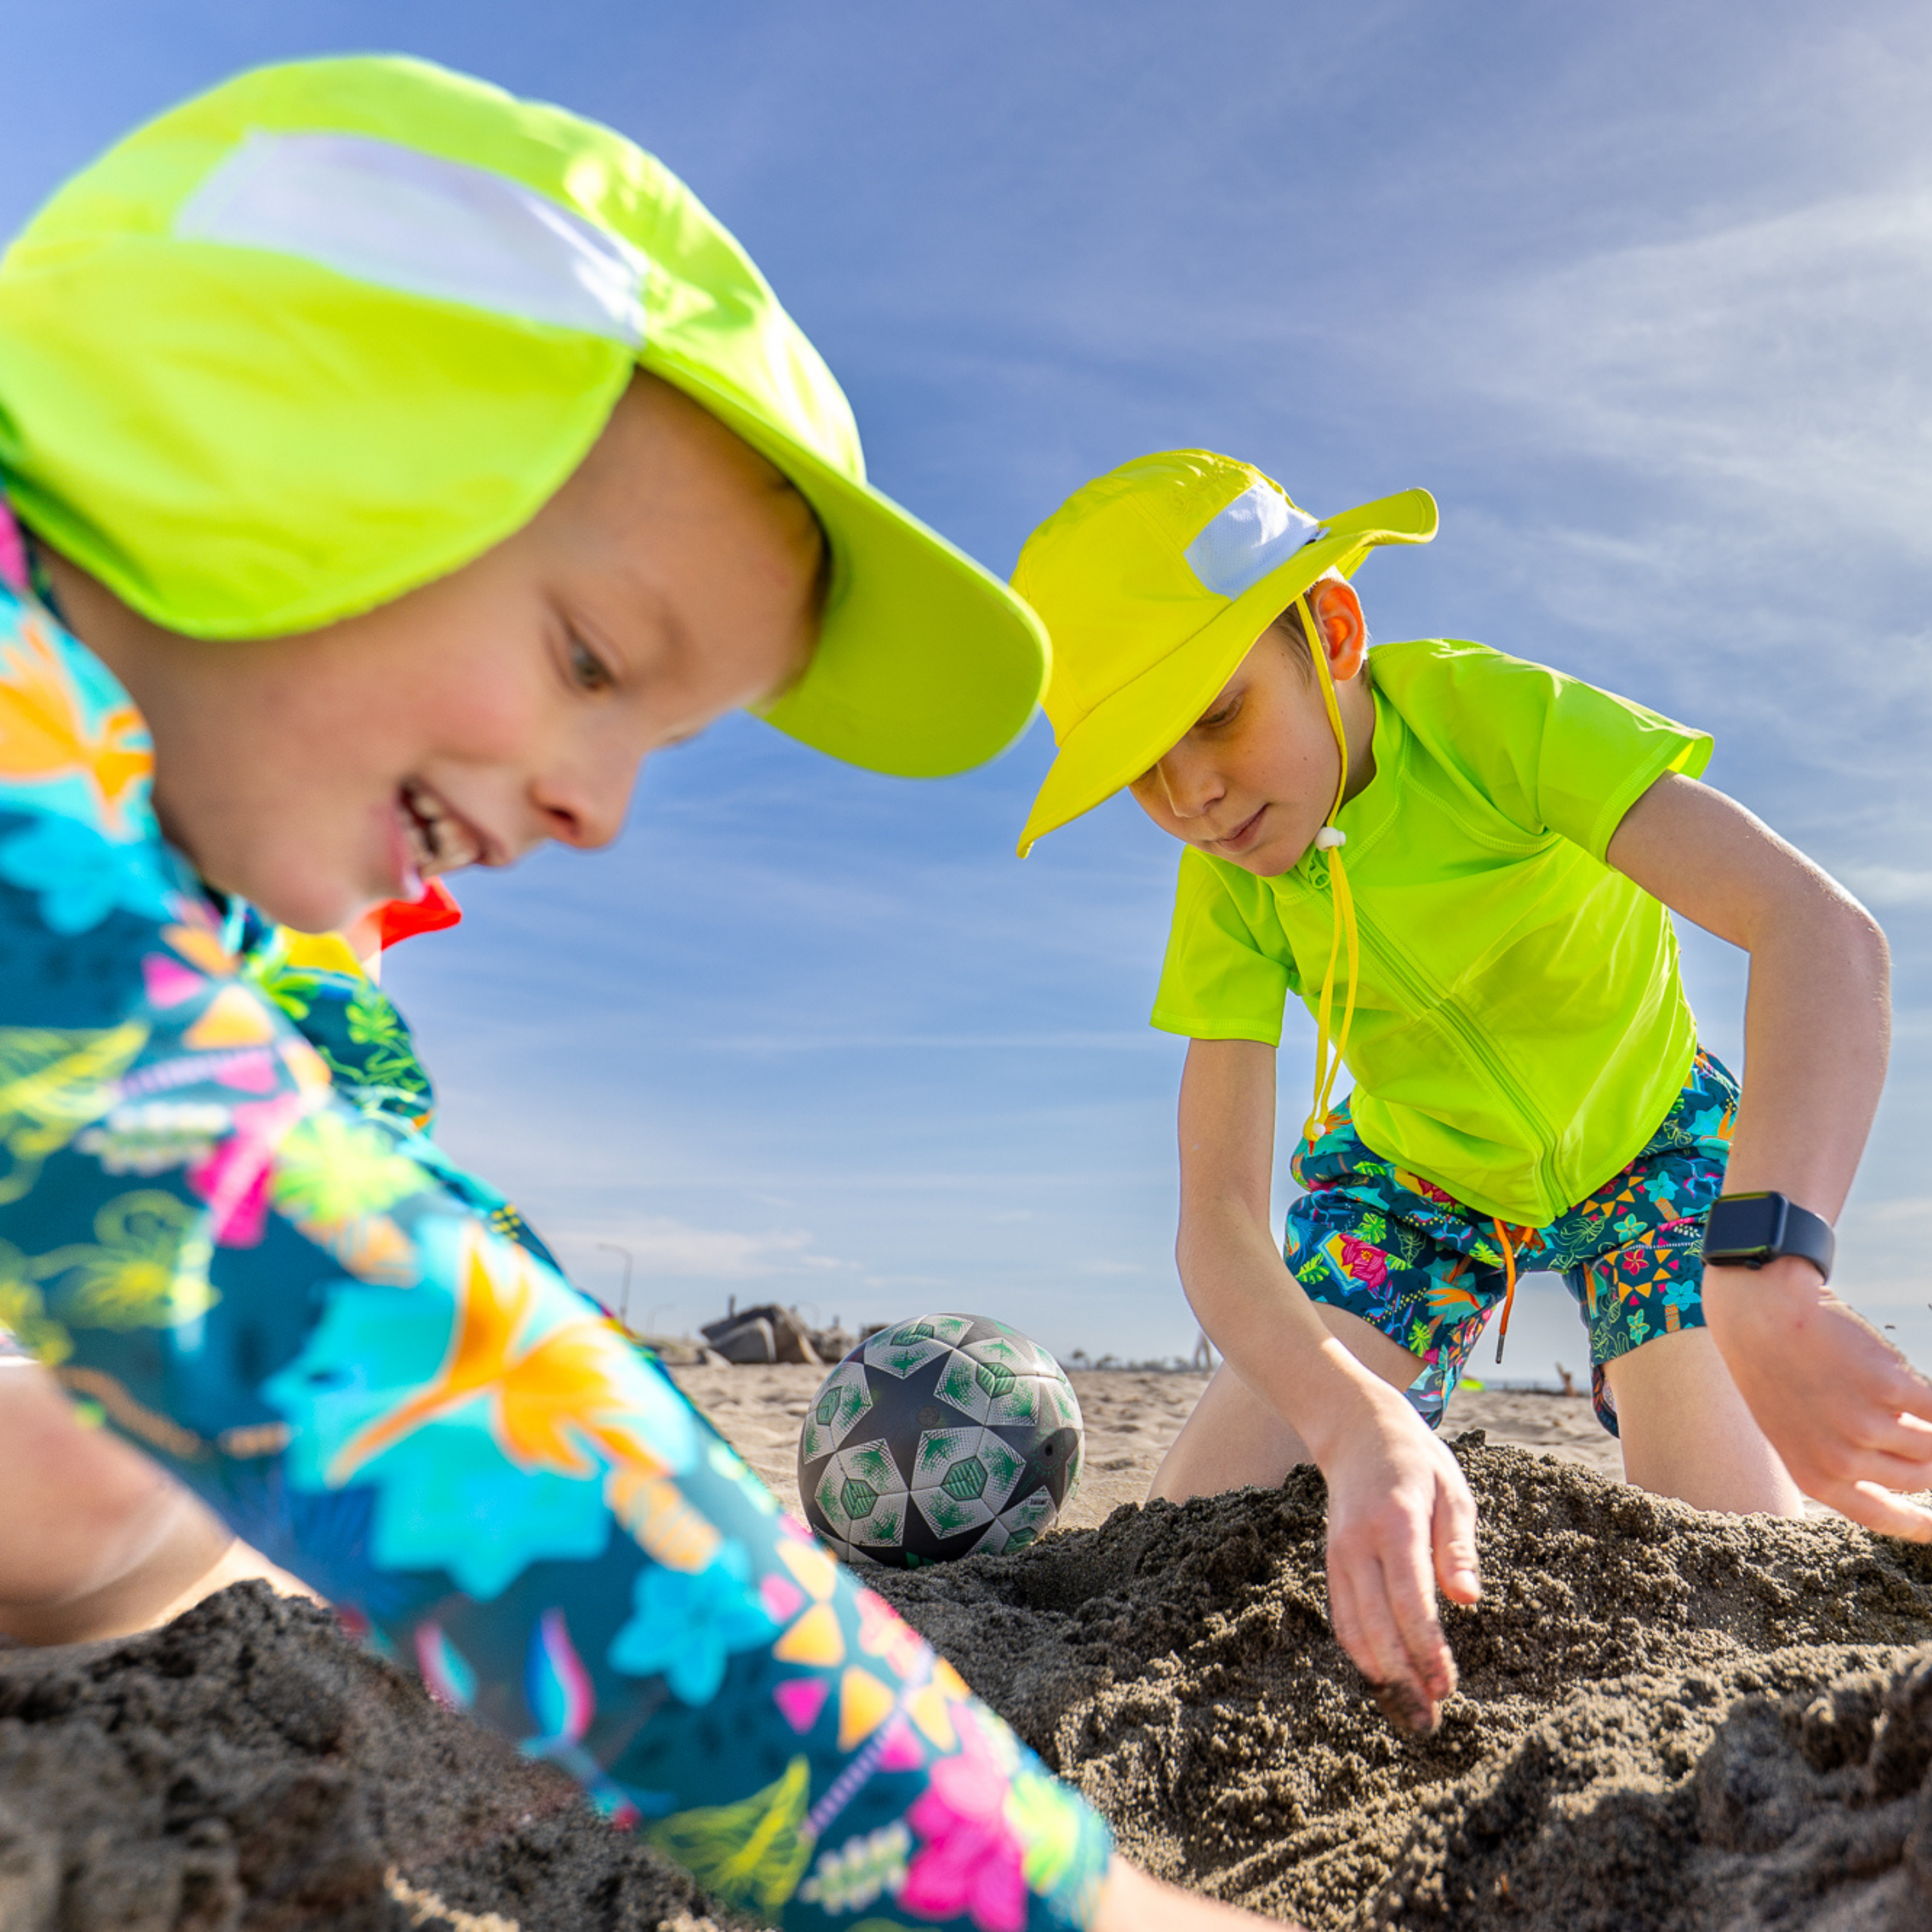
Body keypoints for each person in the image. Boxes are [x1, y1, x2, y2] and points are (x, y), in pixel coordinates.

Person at [0, 61, 1271, 1932]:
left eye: (660, 739)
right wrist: (1062, 1905)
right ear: (270, 419)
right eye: (592, 657)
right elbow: (396, 1359)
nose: (598, 812)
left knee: (113, 1484)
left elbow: (437, 1251)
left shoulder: (203, 890)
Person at [1010, 448, 1932, 1735]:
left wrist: (1771, 1273)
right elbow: (1216, 1220)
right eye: (1140, 771)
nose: (1192, 795)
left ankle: (1702, 1363)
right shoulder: (1226, 884)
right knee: (1183, 1539)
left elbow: (1816, 931)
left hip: (1646, 1153)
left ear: (1332, 630)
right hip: (1415, 1190)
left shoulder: (1492, 722)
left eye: (1215, 714)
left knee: (1732, 1560)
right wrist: (1354, 1421)